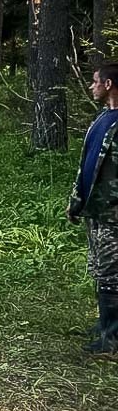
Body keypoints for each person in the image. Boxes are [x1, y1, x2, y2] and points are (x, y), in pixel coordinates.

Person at [67, 63, 118, 355]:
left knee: (112, 274)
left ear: (109, 84)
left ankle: (112, 338)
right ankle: (104, 324)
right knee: (100, 269)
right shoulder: (102, 119)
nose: (91, 86)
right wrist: (76, 201)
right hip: (95, 211)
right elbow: (87, 165)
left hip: (113, 213)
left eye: (95, 81)